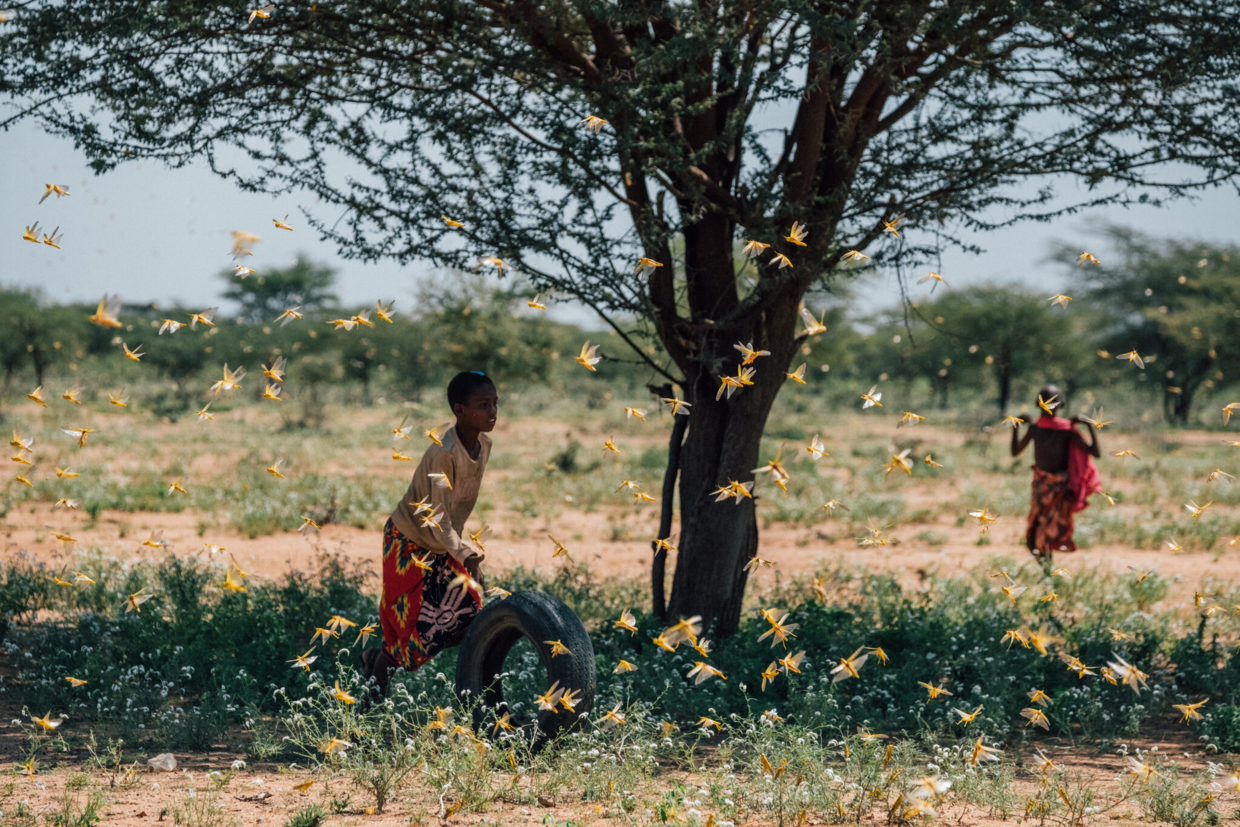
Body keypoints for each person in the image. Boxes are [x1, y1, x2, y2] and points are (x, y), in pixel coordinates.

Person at [362, 370, 497, 699]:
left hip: (443, 543)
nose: (493, 412)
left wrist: (461, 552)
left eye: (495, 403)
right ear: (459, 409)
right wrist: (466, 554)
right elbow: (435, 516)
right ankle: (371, 696)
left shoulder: (483, 445)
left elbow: (457, 507)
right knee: (417, 630)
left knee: (468, 614)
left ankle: (374, 663)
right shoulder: (443, 453)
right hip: (408, 544)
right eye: (483, 404)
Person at [1010, 384, 1102, 563]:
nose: (1048, 405)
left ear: (1061, 405)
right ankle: (1047, 575)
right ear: (1038, 404)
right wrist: (1015, 426)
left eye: (1052, 402)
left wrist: (1089, 424)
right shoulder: (1036, 428)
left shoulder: (1067, 431)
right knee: (1035, 535)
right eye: (1045, 401)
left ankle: (1047, 577)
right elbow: (1015, 452)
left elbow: (1095, 452)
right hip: (1040, 488)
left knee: (1047, 533)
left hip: (1059, 489)